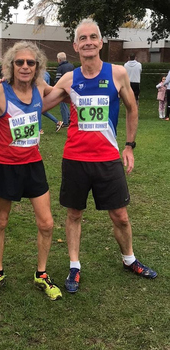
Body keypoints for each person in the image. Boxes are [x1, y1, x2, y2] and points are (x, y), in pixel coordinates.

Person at [43, 18, 157, 294]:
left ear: (101, 42)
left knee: (120, 215)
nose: (88, 42)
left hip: (107, 159)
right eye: (83, 38)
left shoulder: (117, 73)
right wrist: (13, 89)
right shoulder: (69, 79)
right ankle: (74, 265)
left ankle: (129, 259)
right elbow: (42, 104)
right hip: (75, 159)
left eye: (93, 37)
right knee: (74, 213)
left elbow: (132, 108)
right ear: (75, 45)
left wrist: (129, 145)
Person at [0, 41, 62, 302]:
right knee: (1, 221)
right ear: (11, 66)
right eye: (19, 62)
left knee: (47, 223)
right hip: (5, 166)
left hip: (33, 165)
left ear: (37, 66)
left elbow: (63, 91)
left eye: (30, 62)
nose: (25, 66)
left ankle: (41, 273)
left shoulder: (40, 87)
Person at [55, 52, 74, 127]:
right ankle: (70, 118)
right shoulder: (71, 66)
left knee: (63, 104)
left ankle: (65, 121)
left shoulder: (60, 68)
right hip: (72, 87)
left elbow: (58, 79)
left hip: (63, 88)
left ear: (59, 59)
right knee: (71, 104)